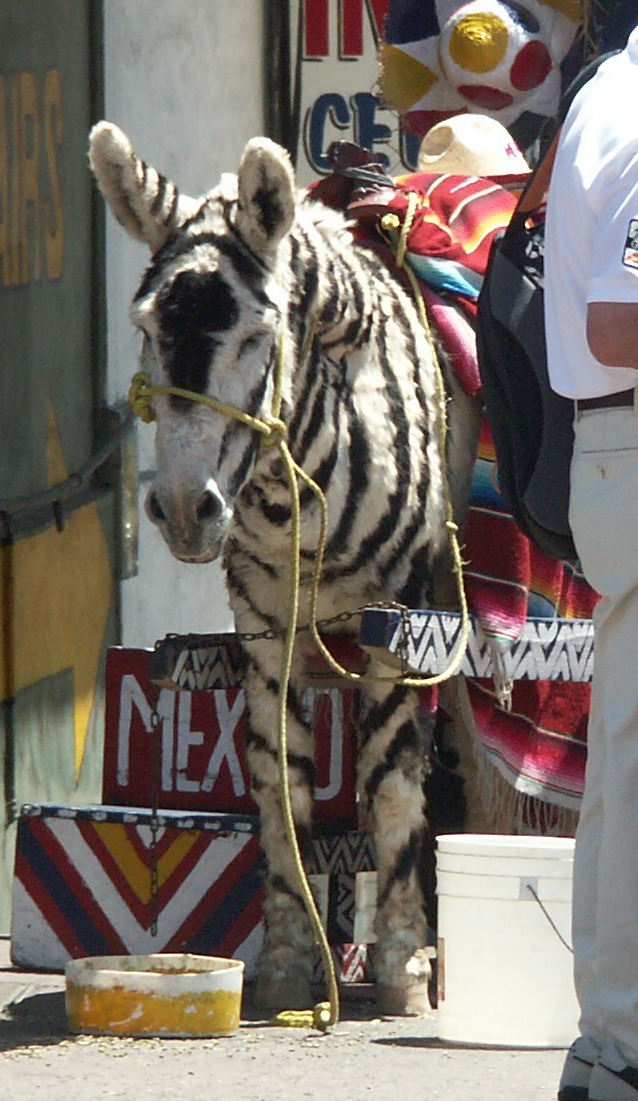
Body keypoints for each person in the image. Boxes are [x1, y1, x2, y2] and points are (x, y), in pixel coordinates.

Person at [544, 28, 638, 1101]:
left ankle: (610, 1046)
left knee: (622, 766)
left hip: (613, 449)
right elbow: (621, 318)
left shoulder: (606, 93)